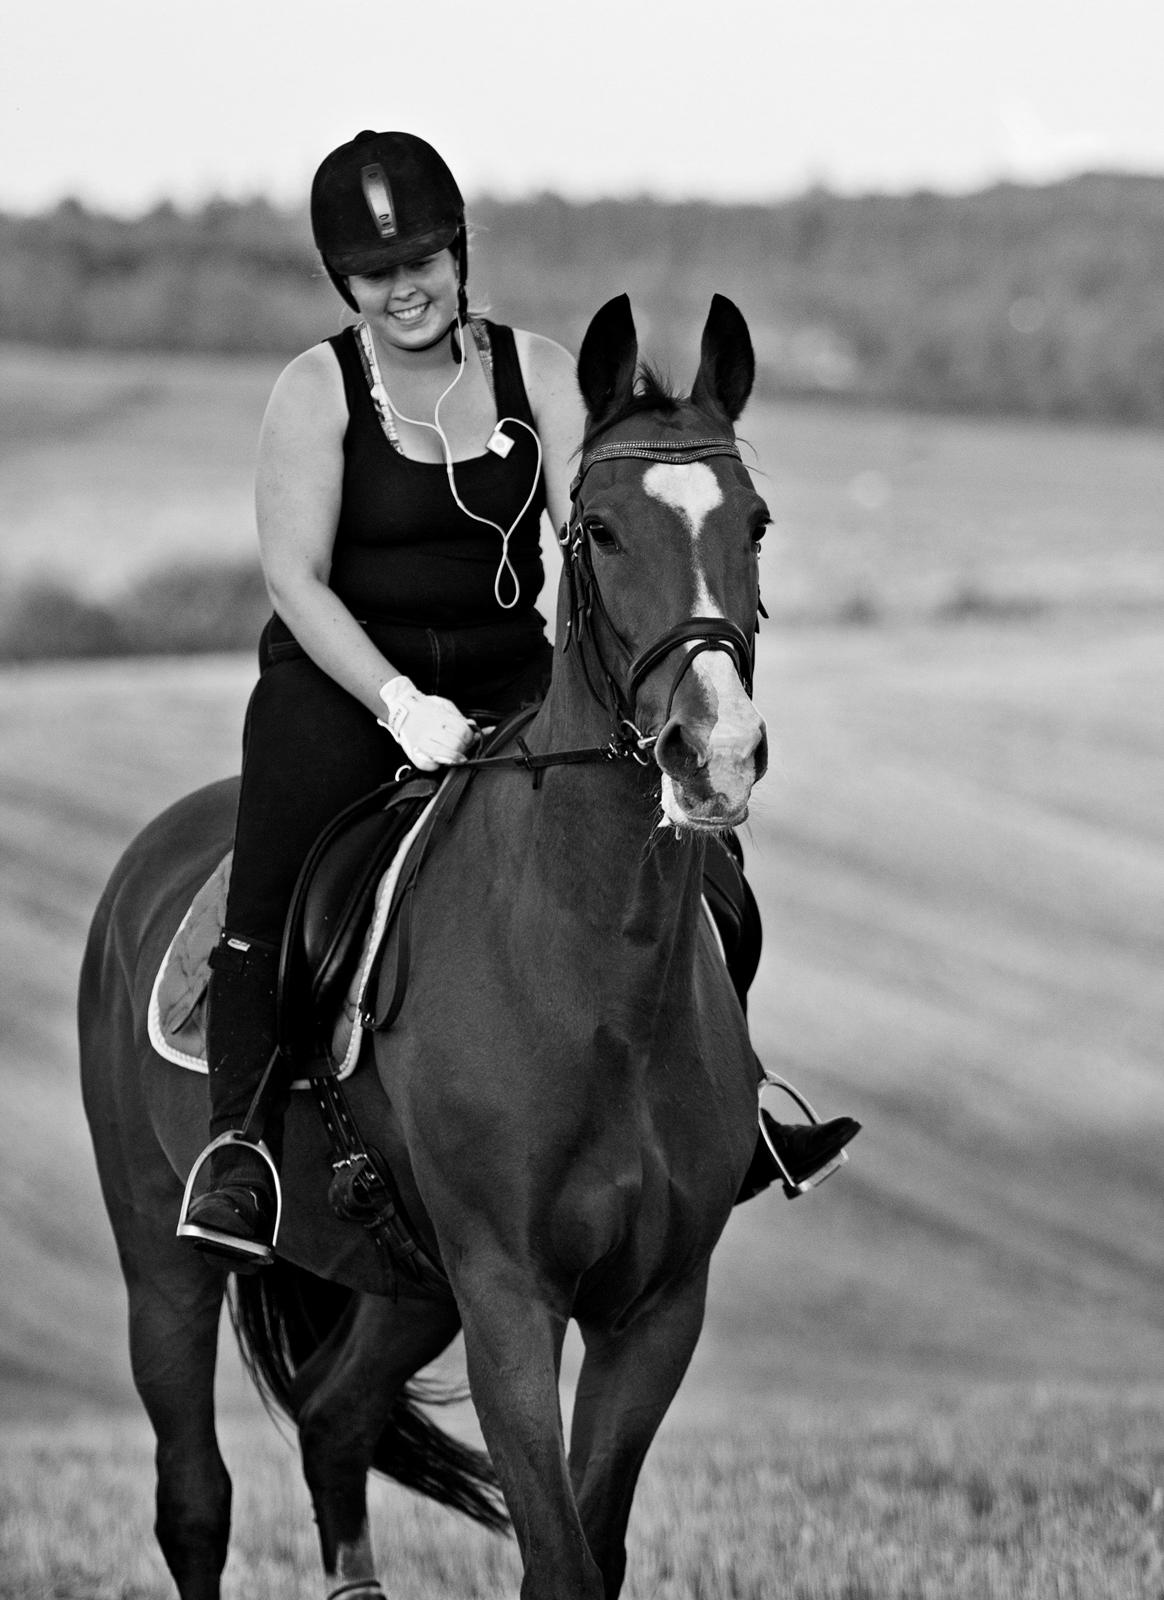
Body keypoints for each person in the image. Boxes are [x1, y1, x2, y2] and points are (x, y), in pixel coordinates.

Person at [179, 130, 858, 1271]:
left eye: (424, 261)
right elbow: (295, 580)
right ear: (346, 283)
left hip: (509, 676)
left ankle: (726, 1108)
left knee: (701, 866)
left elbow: (588, 531)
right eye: (376, 273)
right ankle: (240, 1148)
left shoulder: (536, 372)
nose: (405, 289)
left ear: (460, 251)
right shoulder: (317, 391)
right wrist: (397, 704)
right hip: (346, 686)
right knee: (273, 895)